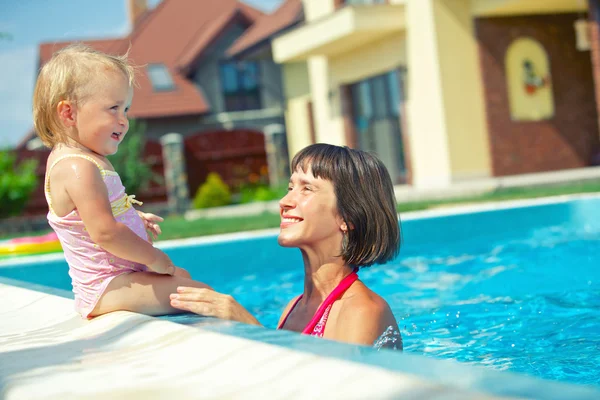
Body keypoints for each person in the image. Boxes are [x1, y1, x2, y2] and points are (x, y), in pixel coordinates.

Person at [32, 44, 211, 319]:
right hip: (107, 286)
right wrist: (153, 257)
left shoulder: (83, 159)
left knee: (185, 279)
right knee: (200, 296)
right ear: (68, 113)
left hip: (119, 277)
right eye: (113, 108)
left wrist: (132, 217)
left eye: (125, 109)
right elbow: (104, 232)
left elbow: (94, 213)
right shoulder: (77, 166)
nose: (124, 120)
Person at [170, 144, 402, 349]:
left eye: (306, 189)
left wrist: (248, 325)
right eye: (291, 188)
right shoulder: (294, 307)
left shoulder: (363, 311)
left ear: (348, 217)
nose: (285, 201)